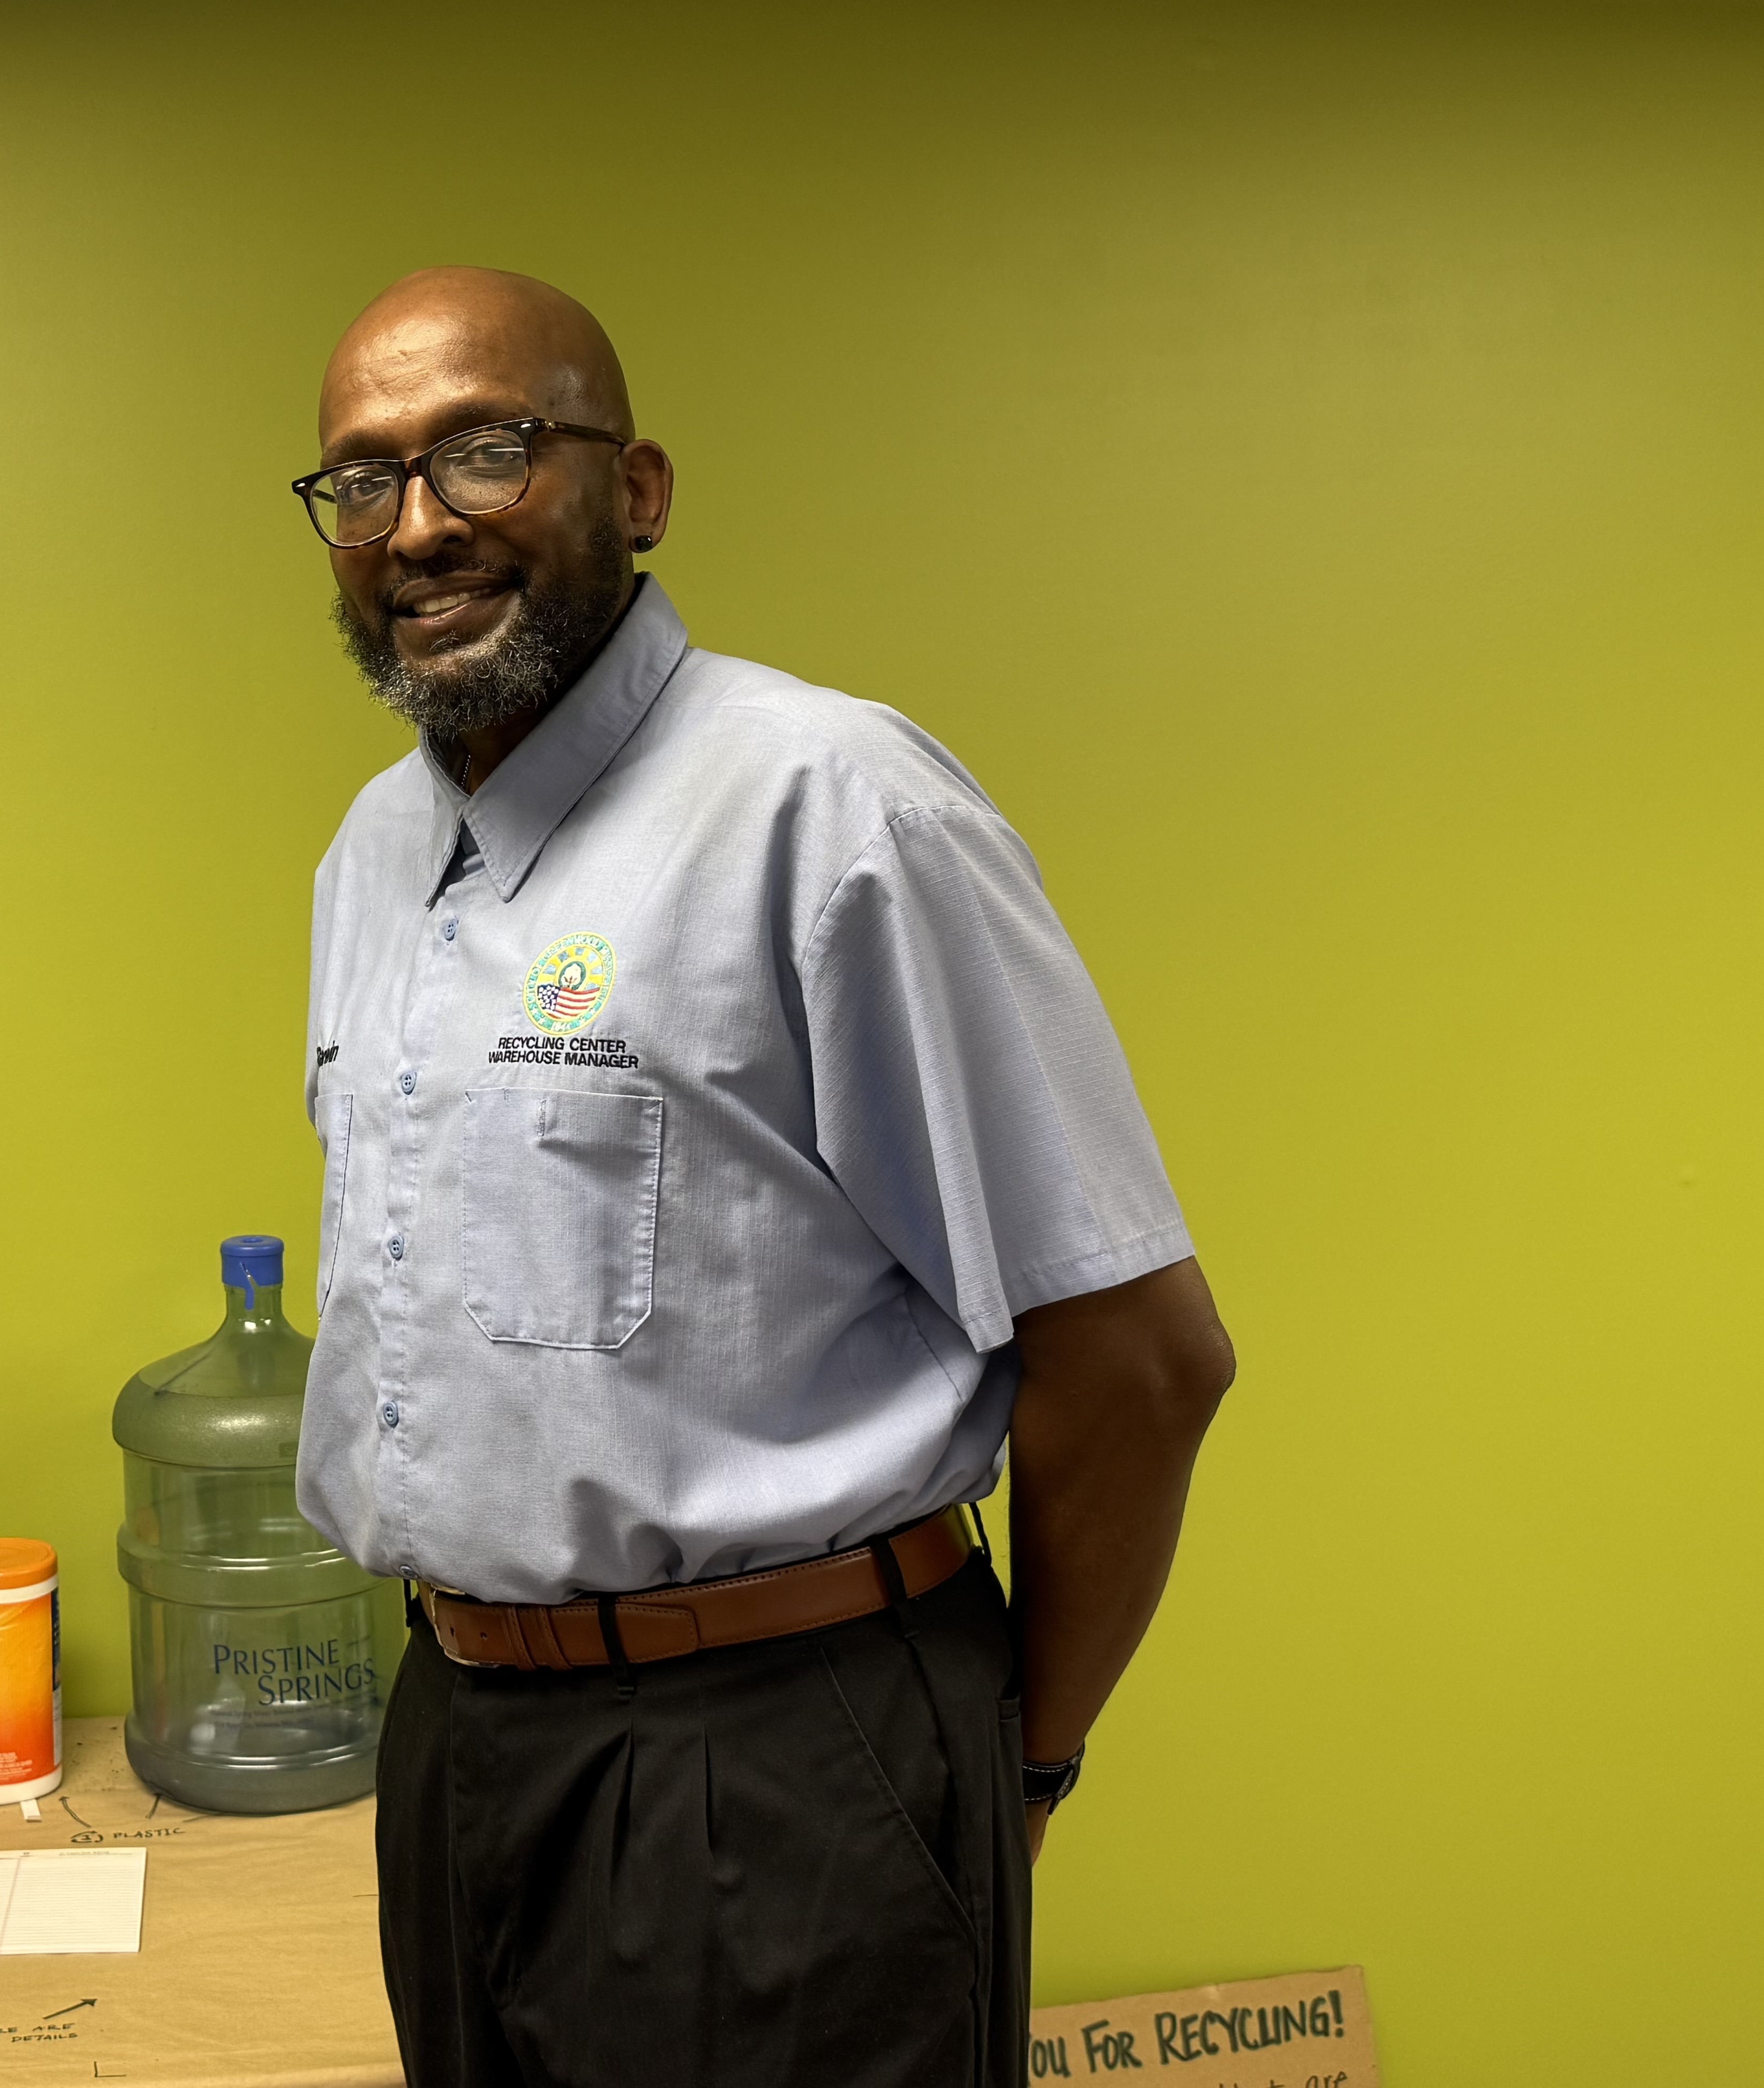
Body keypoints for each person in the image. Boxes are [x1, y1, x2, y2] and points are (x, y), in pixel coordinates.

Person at [288, 266, 1237, 2088]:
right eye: (363, 477)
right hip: (461, 1742)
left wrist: (1022, 1765)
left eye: (485, 450)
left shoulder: (835, 808)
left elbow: (1142, 1360)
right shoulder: (375, 851)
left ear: (636, 488)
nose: (416, 526)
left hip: (777, 1762)